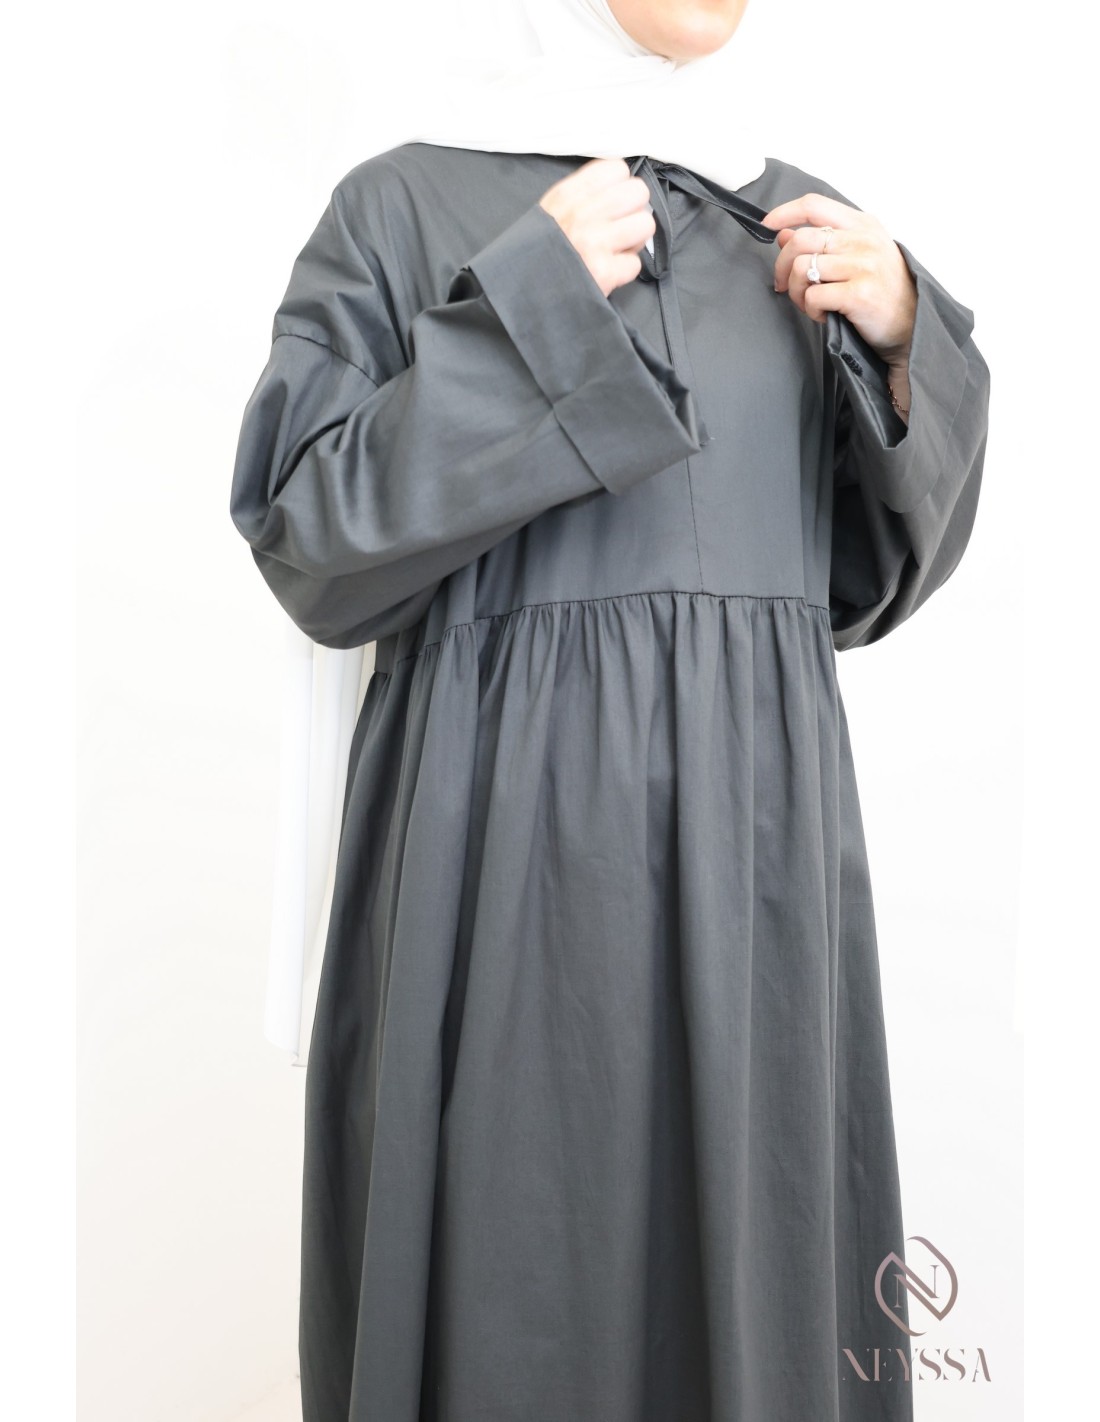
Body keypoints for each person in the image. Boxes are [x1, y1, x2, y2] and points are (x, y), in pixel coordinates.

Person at [228, 1, 990, 1418]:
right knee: (521, 1301)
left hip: (759, 882)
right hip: (504, 889)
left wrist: (903, 343)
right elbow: (310, 542)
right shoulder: (402, 206)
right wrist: (525, 306)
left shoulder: (793, 222)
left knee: (755, 1301)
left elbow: (865, 578)